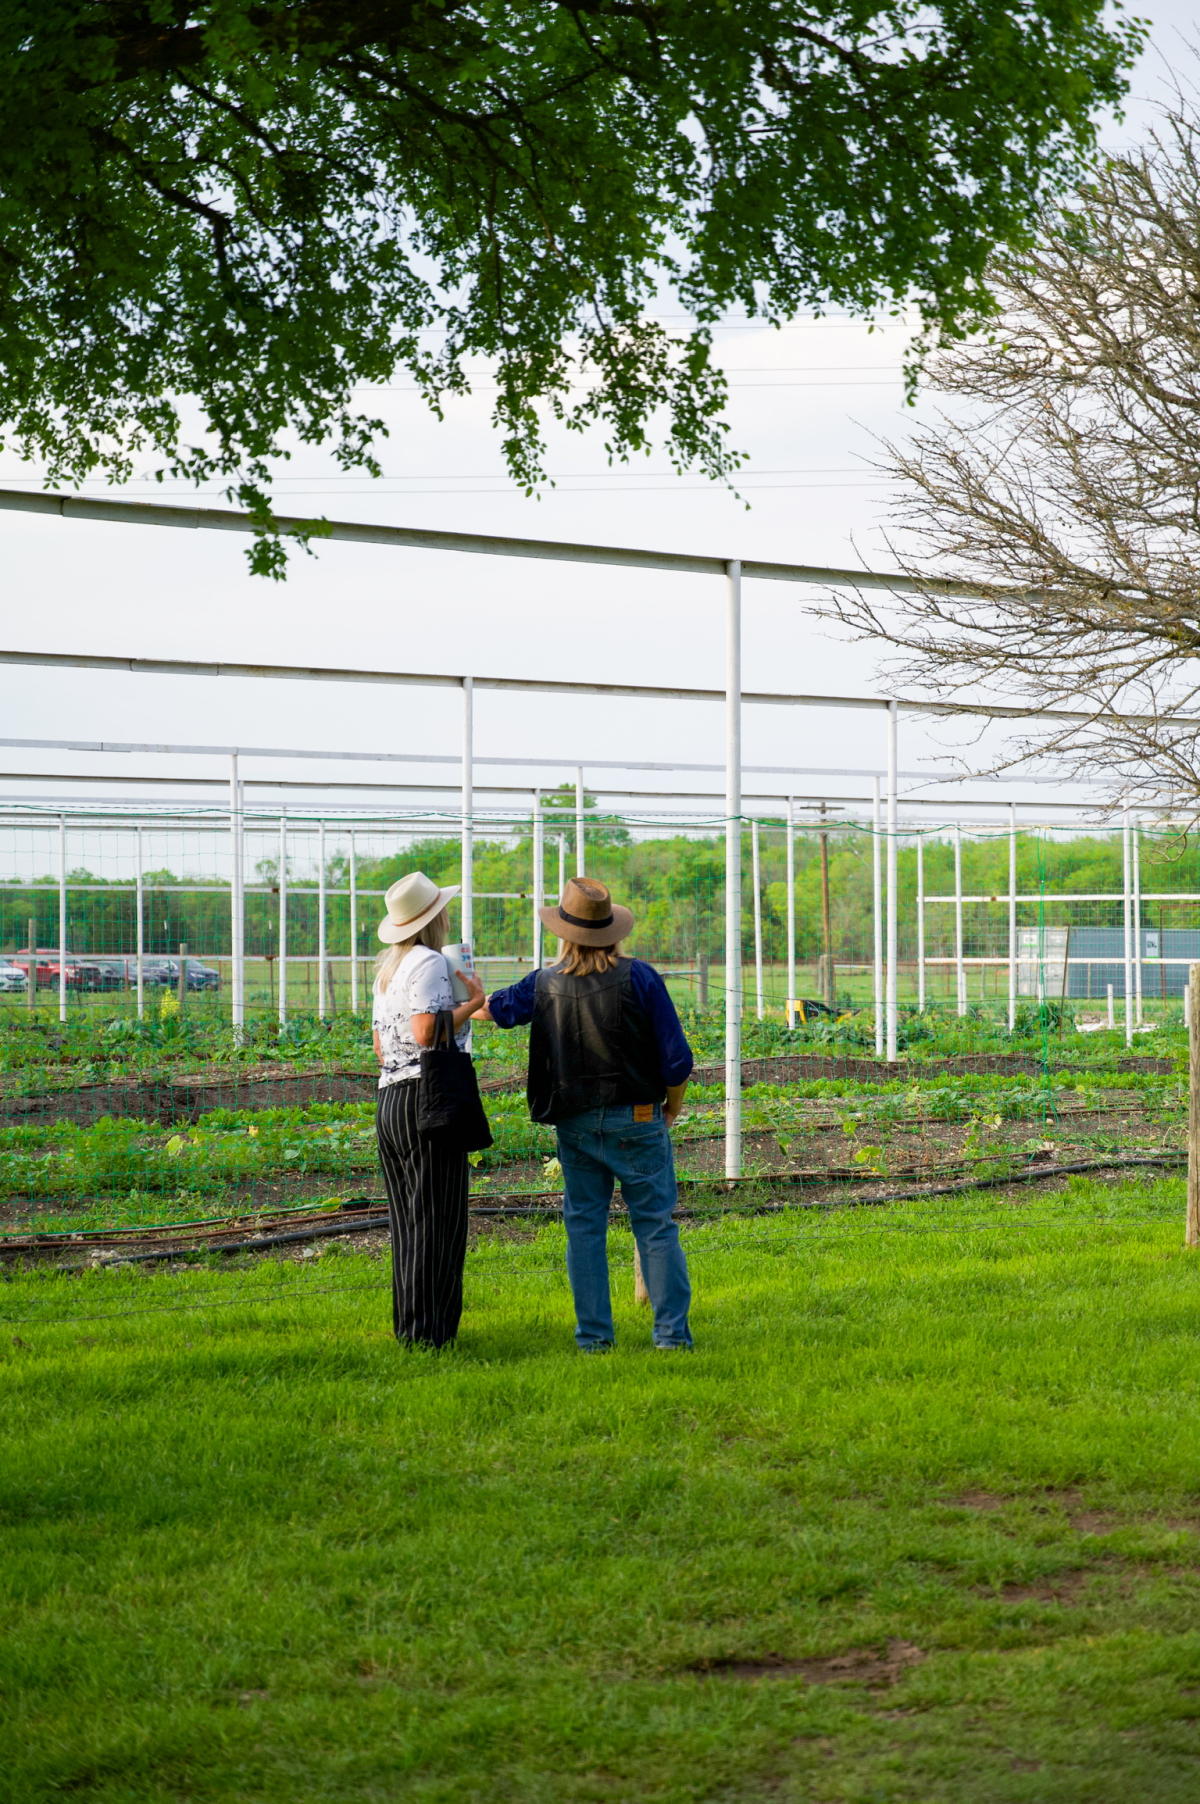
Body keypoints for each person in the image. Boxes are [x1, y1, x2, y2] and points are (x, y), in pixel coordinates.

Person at [479, 877, 694, 1351]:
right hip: (637, 1116)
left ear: (563, 932)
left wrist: (469, 994)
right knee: (655, 1223)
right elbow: (676, 1060)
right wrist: (669, 1109)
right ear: (613, 930)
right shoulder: (640, 977)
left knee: (584, 1225)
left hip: (573, 1121)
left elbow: (492, 1010)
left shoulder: (543, 983)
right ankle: (671, 1337)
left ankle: (594, 1339)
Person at [372, 871, 486, 1348]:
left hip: (391, 1098)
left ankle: (410, 1329)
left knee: (407, 1220)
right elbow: (425, 1033)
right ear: (433, 917)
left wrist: (459, 1011)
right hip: (430, 1096)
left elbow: (381, 1045)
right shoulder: (432, 961)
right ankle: (430, 1336)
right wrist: (475, 1001)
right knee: (438, 1220)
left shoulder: (389, 968)